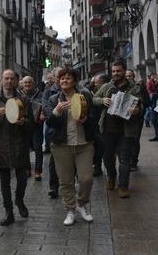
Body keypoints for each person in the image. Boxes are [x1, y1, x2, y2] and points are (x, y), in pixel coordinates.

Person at [43, 68, 95, 226]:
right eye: (62, 78)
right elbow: (49, 122)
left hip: (83, 144)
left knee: (86, 179)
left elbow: (93, 116)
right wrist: (56, 112)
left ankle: (82, 203)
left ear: (74, 81)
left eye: (68, 78)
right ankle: (70, 210)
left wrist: (86, 120)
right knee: (66, 181)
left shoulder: (84, 96)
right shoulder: (53, 99)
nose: (64, 81)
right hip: (61, 145)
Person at [0, 69, 33, 226]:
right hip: (2, 145)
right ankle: (8, 211)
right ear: (1, 80)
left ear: (16, 81)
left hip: (20, 144)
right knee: (4, 181)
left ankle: (19, 200)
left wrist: (24, 123)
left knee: (22, 179)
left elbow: (31, 124)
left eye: (11, 78)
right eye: (5, 78)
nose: (8, 81)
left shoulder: (24, 100)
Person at [94, 61, 144, 198]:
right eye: (114, 71)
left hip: (126, 130)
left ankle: (123, 186)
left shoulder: (134, 88)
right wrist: (102, 100)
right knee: (107, 158)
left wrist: (137, 110)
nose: (116, 73)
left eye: (119, 71)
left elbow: (141, 106)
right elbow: (94, 98)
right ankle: (111, 176)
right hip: (107, 130)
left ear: (124, 71)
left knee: (124, 160)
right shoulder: (106, 86)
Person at [43, 68, 62, 198]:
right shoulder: (49, 92)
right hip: (54, 131)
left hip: (72, 131)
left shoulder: (76, 90)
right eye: (59, 77)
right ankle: (53, 187)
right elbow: (46, 110)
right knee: (54, 160)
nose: (62, 79)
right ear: (55, 78)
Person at [21, 76, 45, 181]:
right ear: (22, 84)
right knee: (25, 148)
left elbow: (45, 106)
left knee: (37, 148)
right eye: (25, 83)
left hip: (37, 125)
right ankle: (27, 169)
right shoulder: (19, 95)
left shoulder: (41, 95)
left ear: (33, 83)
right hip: (24, 125)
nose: (27, 84)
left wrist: (43, 113)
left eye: (29, 82)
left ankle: (38, 171)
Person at [126, 70, 149, 171]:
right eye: (126, 76)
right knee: (127, 140)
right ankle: (127, 160)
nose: (128, 78)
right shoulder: (122, 87)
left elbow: (148, 102)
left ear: (133, 76)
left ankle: (133, 162)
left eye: (130, 76)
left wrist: (141, 101)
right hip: (125, 119)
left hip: (137, 119)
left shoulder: (140, 87)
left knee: (135, 140)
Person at [90, 74, 109, 176]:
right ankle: (97, 166)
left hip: (104, 123)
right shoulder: (91, 91)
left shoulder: (107, 90)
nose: (94, 84)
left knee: (103, 146)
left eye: (96, 82)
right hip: (95, 124)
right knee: (97, 146)